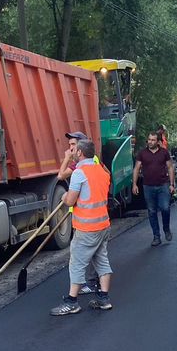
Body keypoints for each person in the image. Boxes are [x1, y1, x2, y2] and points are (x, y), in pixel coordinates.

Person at [50, 139, 113, 316]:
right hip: (103, 225)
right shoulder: (101, 170)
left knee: (77, 264)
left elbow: (70, 200)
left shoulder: (79, 173)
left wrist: (63, 198)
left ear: (80, 153)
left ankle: (72, 302)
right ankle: (104, 298)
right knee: (102, 260)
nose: (73, 151)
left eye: (74, 149)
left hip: (87, 227)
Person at [58, 131, 100, 295]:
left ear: (81, 147)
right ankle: (95, 284)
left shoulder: (83, 165)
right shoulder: (86, 163)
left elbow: (60, 175)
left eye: (73, 145)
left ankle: (86, 286)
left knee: (84, 254)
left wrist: (67, 158)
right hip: (86, 213)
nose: (70, 148)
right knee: (94, 253)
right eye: (69, 145)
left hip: (87, 215)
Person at [132, 132, 176, 246]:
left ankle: (166, 229)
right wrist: (134, 184)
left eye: (153, 140)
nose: (150, 142)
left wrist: (172, 184)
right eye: (149, 140)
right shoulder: (142, 153)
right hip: (148, 186)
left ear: (157, 141)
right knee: (152, 211)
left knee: (165, 208)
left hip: (163, 185)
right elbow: (137, 168)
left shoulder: (164, 153)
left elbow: (170, 167)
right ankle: (156, 236)